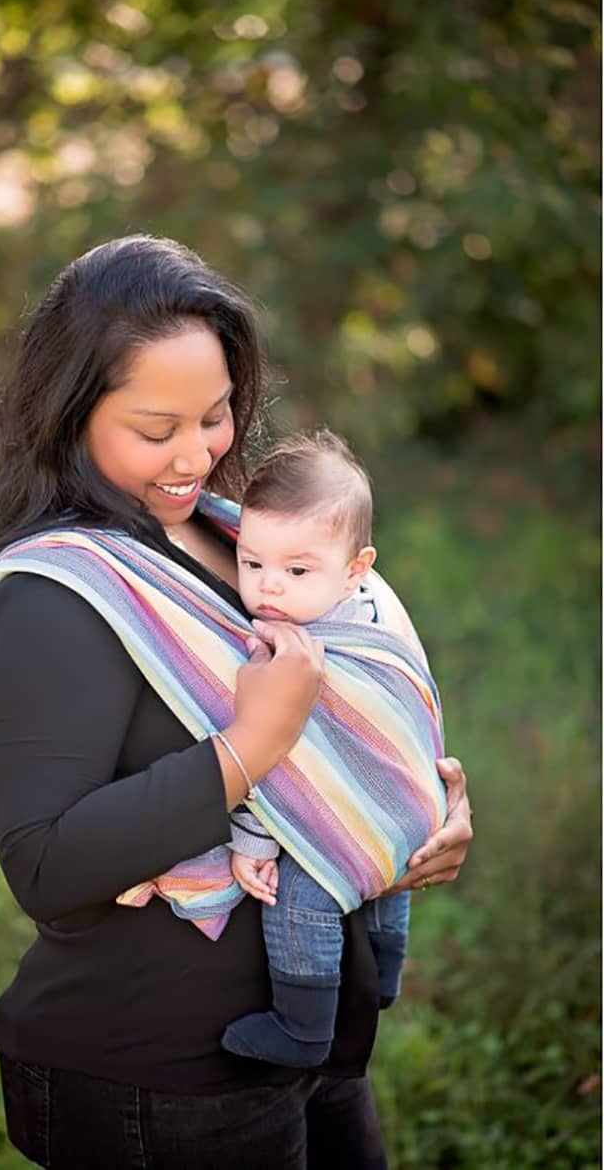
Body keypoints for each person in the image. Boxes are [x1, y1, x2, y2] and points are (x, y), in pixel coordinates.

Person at [0, 234, 473, 1170]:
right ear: (70, 414)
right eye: (156, 430)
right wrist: (253, 744)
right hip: (161, 1076)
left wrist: (413, 811)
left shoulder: (237, 539)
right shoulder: (50, 595)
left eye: (217, 414)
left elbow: (355, 700)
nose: (196, 455)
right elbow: (44, 866)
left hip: (311, 1032)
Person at [222, 429, 425, 1069]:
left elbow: (277, 760)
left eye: (296, 570)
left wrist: (252, 842)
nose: (269, 589)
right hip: (409, 808)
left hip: (373, 801)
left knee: (302, 887)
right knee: (388, 875)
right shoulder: (371, 610)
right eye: (252, 564)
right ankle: (386, 973)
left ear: (357, 567)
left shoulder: (296, 650)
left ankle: (303, 1026)